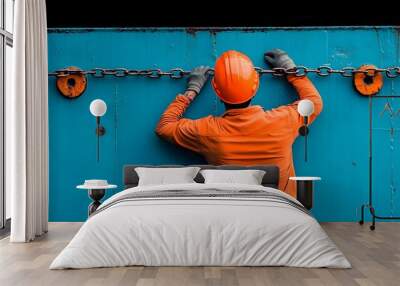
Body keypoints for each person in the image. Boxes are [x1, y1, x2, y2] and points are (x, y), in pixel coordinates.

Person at [155, 49, 322, 197]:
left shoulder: (207, 130)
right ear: (255, 86)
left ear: (217, 91)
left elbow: (164, 127)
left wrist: (192, 89)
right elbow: (314, 102)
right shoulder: (283, 120)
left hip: (233, 213)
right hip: (281, 212)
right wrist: (291, 69)